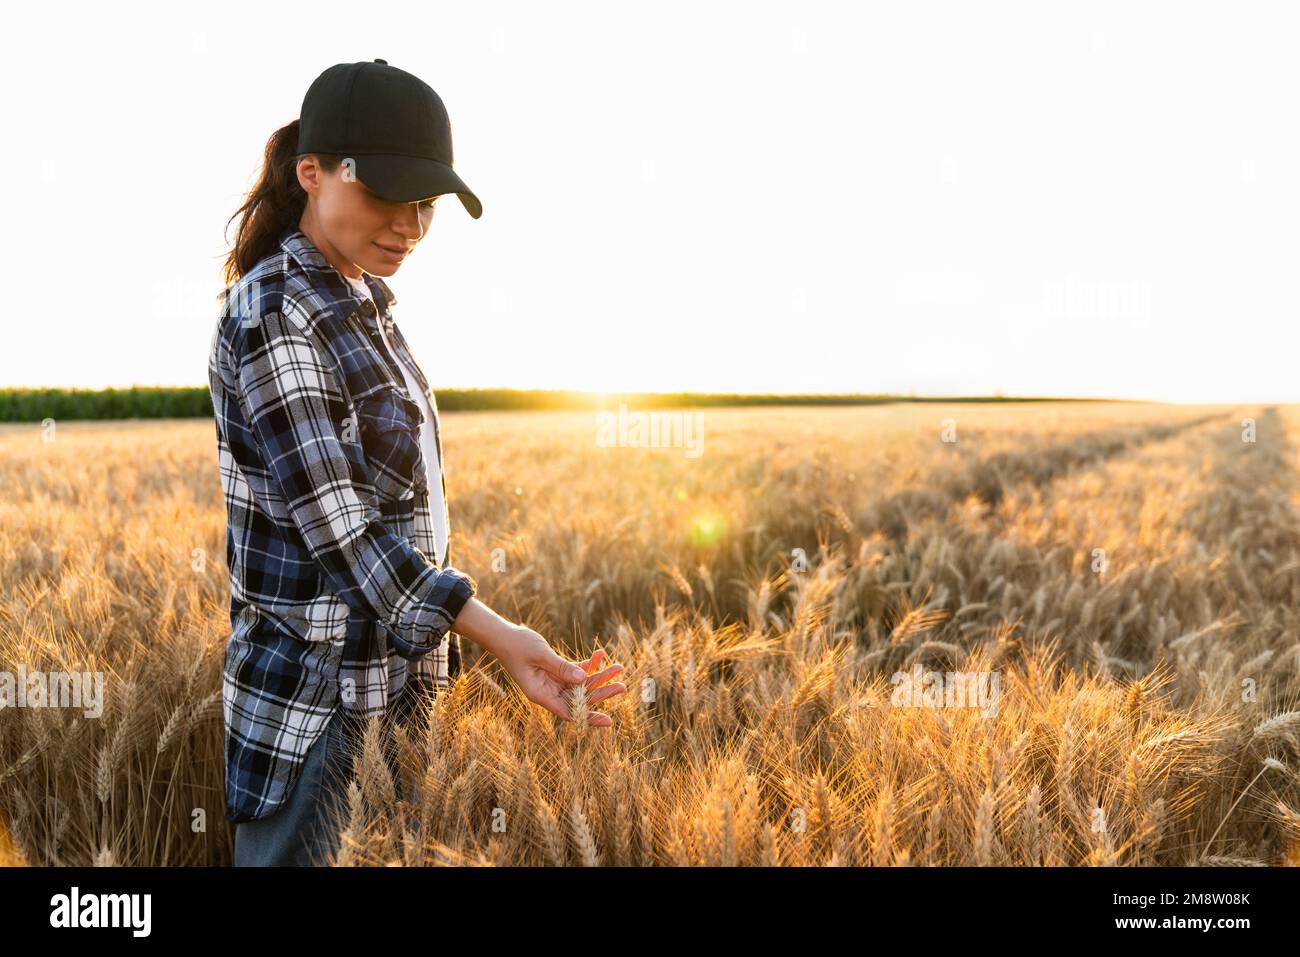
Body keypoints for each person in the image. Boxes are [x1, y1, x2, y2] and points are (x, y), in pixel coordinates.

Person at [208, 59, 626, 866]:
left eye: (424, 205)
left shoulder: (364, 301)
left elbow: (403, 508)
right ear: (313, 172)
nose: (408, 225)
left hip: (398, 699)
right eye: (386, 196)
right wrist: (498, 633)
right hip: (315, 711)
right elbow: (344, 534)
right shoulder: (273, 311)